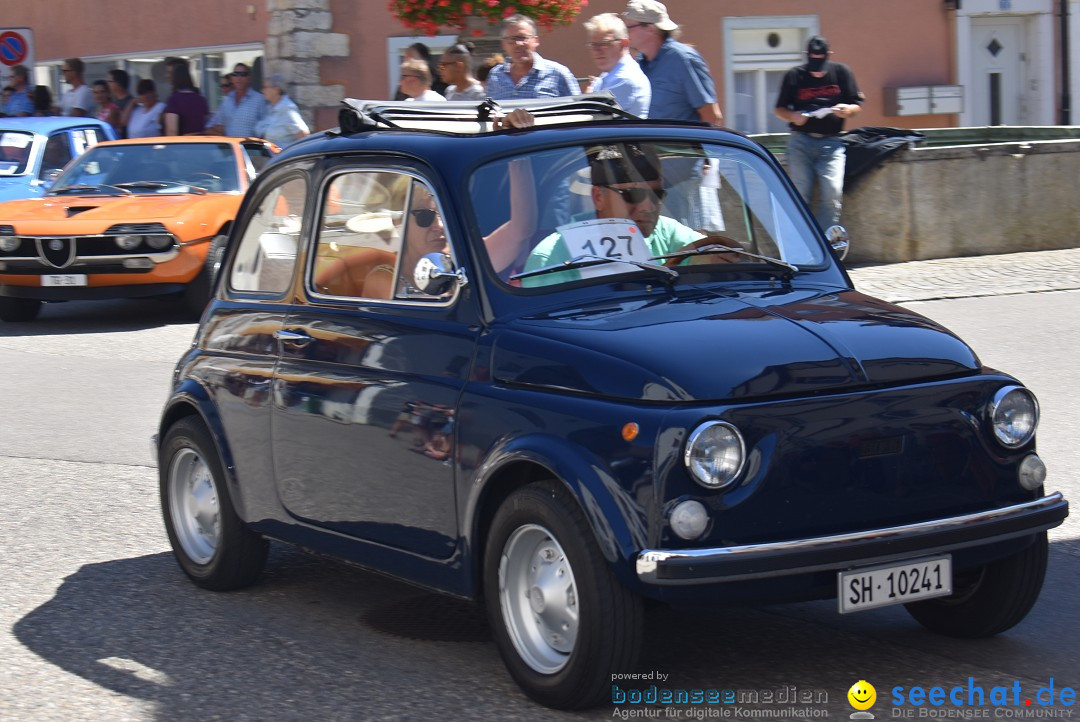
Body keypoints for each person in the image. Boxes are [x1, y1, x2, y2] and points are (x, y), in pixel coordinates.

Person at [521, 142, 705, 287]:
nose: (648, 206)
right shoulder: (551, 259)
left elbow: (715, 250)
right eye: (633, 194)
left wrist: (718, 254)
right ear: (599, 197)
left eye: (656, 194)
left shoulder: (667, 232)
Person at [774, 35, 863, 229]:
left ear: (828, 55)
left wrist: (848, 110)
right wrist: (793, 116)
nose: (817, 73)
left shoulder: (841, 72)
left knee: (832, 192)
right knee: (800, 193)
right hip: (801, 141)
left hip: (832, 143)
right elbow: (779, 109)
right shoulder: (794, 75)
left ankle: (825, 244)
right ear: (807, 56)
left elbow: (857, 105)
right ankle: (803, 244)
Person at [622, 0, 720, 125]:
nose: (626, 33)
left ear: (650, 29)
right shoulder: (641, 62)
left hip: (681, 144)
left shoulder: (683, 60)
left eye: (629, 27)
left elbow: (711, 116)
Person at [486, 14, 580, 100]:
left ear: (536, 41)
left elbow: (579, 109)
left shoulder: (559, 74)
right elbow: (490, 112)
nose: (518, 44)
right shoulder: (496, 75)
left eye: (523, 37)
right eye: (512, 39)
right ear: (504, 44)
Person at [583, 13, 650, 117]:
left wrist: (588, 95)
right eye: (593, 45)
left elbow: (591, 117)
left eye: (604, 44)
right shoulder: (609, 74)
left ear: (623, 44)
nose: (597, 51)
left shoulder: (624, 78)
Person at [205, 62, 267, 137]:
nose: (239, 78)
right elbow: (221, 126)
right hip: (232, 147)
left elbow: (266, 129)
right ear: (232, 78)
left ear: (249, 78)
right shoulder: (227, 101)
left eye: (243, 74)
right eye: (235, 74)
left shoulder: (259, 99)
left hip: (251, 147)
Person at [254, 73, 310, 147]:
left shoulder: (287, 109)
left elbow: (303, 134)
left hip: (284, 157)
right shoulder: (270, 108)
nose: (262, 91)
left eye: (265, 87)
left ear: (276, 89)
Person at [162, 61, 209, 135]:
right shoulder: (201, 99)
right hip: (200, 144)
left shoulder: (174, 100)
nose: (167, 76)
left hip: (183, 144)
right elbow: (206, 125)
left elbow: (171, 131)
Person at [106, 69, 135, 137]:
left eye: (110, 81)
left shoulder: (130, 103)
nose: (107, 84)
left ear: (118, 83)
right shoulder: (113, 101)